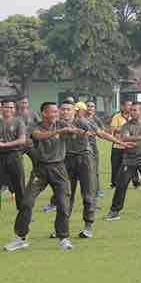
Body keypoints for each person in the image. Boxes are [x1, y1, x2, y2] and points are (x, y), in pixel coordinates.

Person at [5, 102, 83, 252]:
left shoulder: (62, 123)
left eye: (57, 111)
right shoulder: (34, 126)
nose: (56, 114)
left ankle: (63, 238)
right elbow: (38, 136)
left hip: (59, 168)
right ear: (44, 113)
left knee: (63, 204)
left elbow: (74, 131)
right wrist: (60, 131)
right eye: (52, 112)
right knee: (26, 203)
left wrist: (79, 131)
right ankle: (20, 238)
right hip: (40, 170)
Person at [65, 102, 126, 239]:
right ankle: (62, 227)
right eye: (63, 110)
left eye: (69, 110)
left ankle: (88, 226)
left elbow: (101, 133)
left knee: (88, 193)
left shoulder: (83, 122)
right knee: (66, 194)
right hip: (67, 160)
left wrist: (120, 142)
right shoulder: (58, 124)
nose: (66, 112)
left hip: (84, 159)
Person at [0, 100, 28, 226]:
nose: (9, 109)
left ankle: (23, 215)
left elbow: (22, 140)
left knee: (19, 187)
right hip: (1, 157)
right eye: (7, 107)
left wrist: (5, 144)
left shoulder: (18, 122)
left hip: (14, 156)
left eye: (12, 107)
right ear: (2, 108)